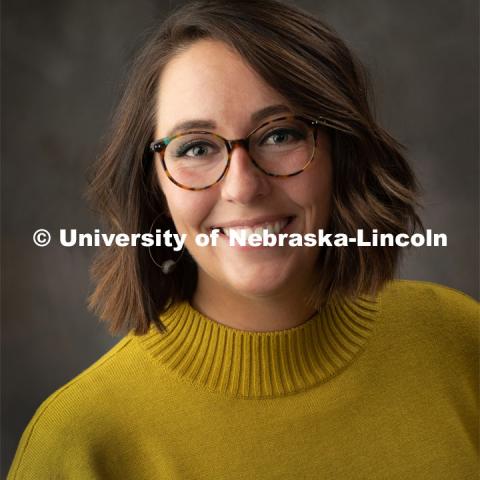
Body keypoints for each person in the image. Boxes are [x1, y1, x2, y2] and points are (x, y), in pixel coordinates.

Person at [8, 1, 478, 478]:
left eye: (279, 135)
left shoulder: (459, 340)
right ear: (154, 186)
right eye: (195, 148)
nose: (243, 187)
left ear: (341, 151)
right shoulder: (81, 441)